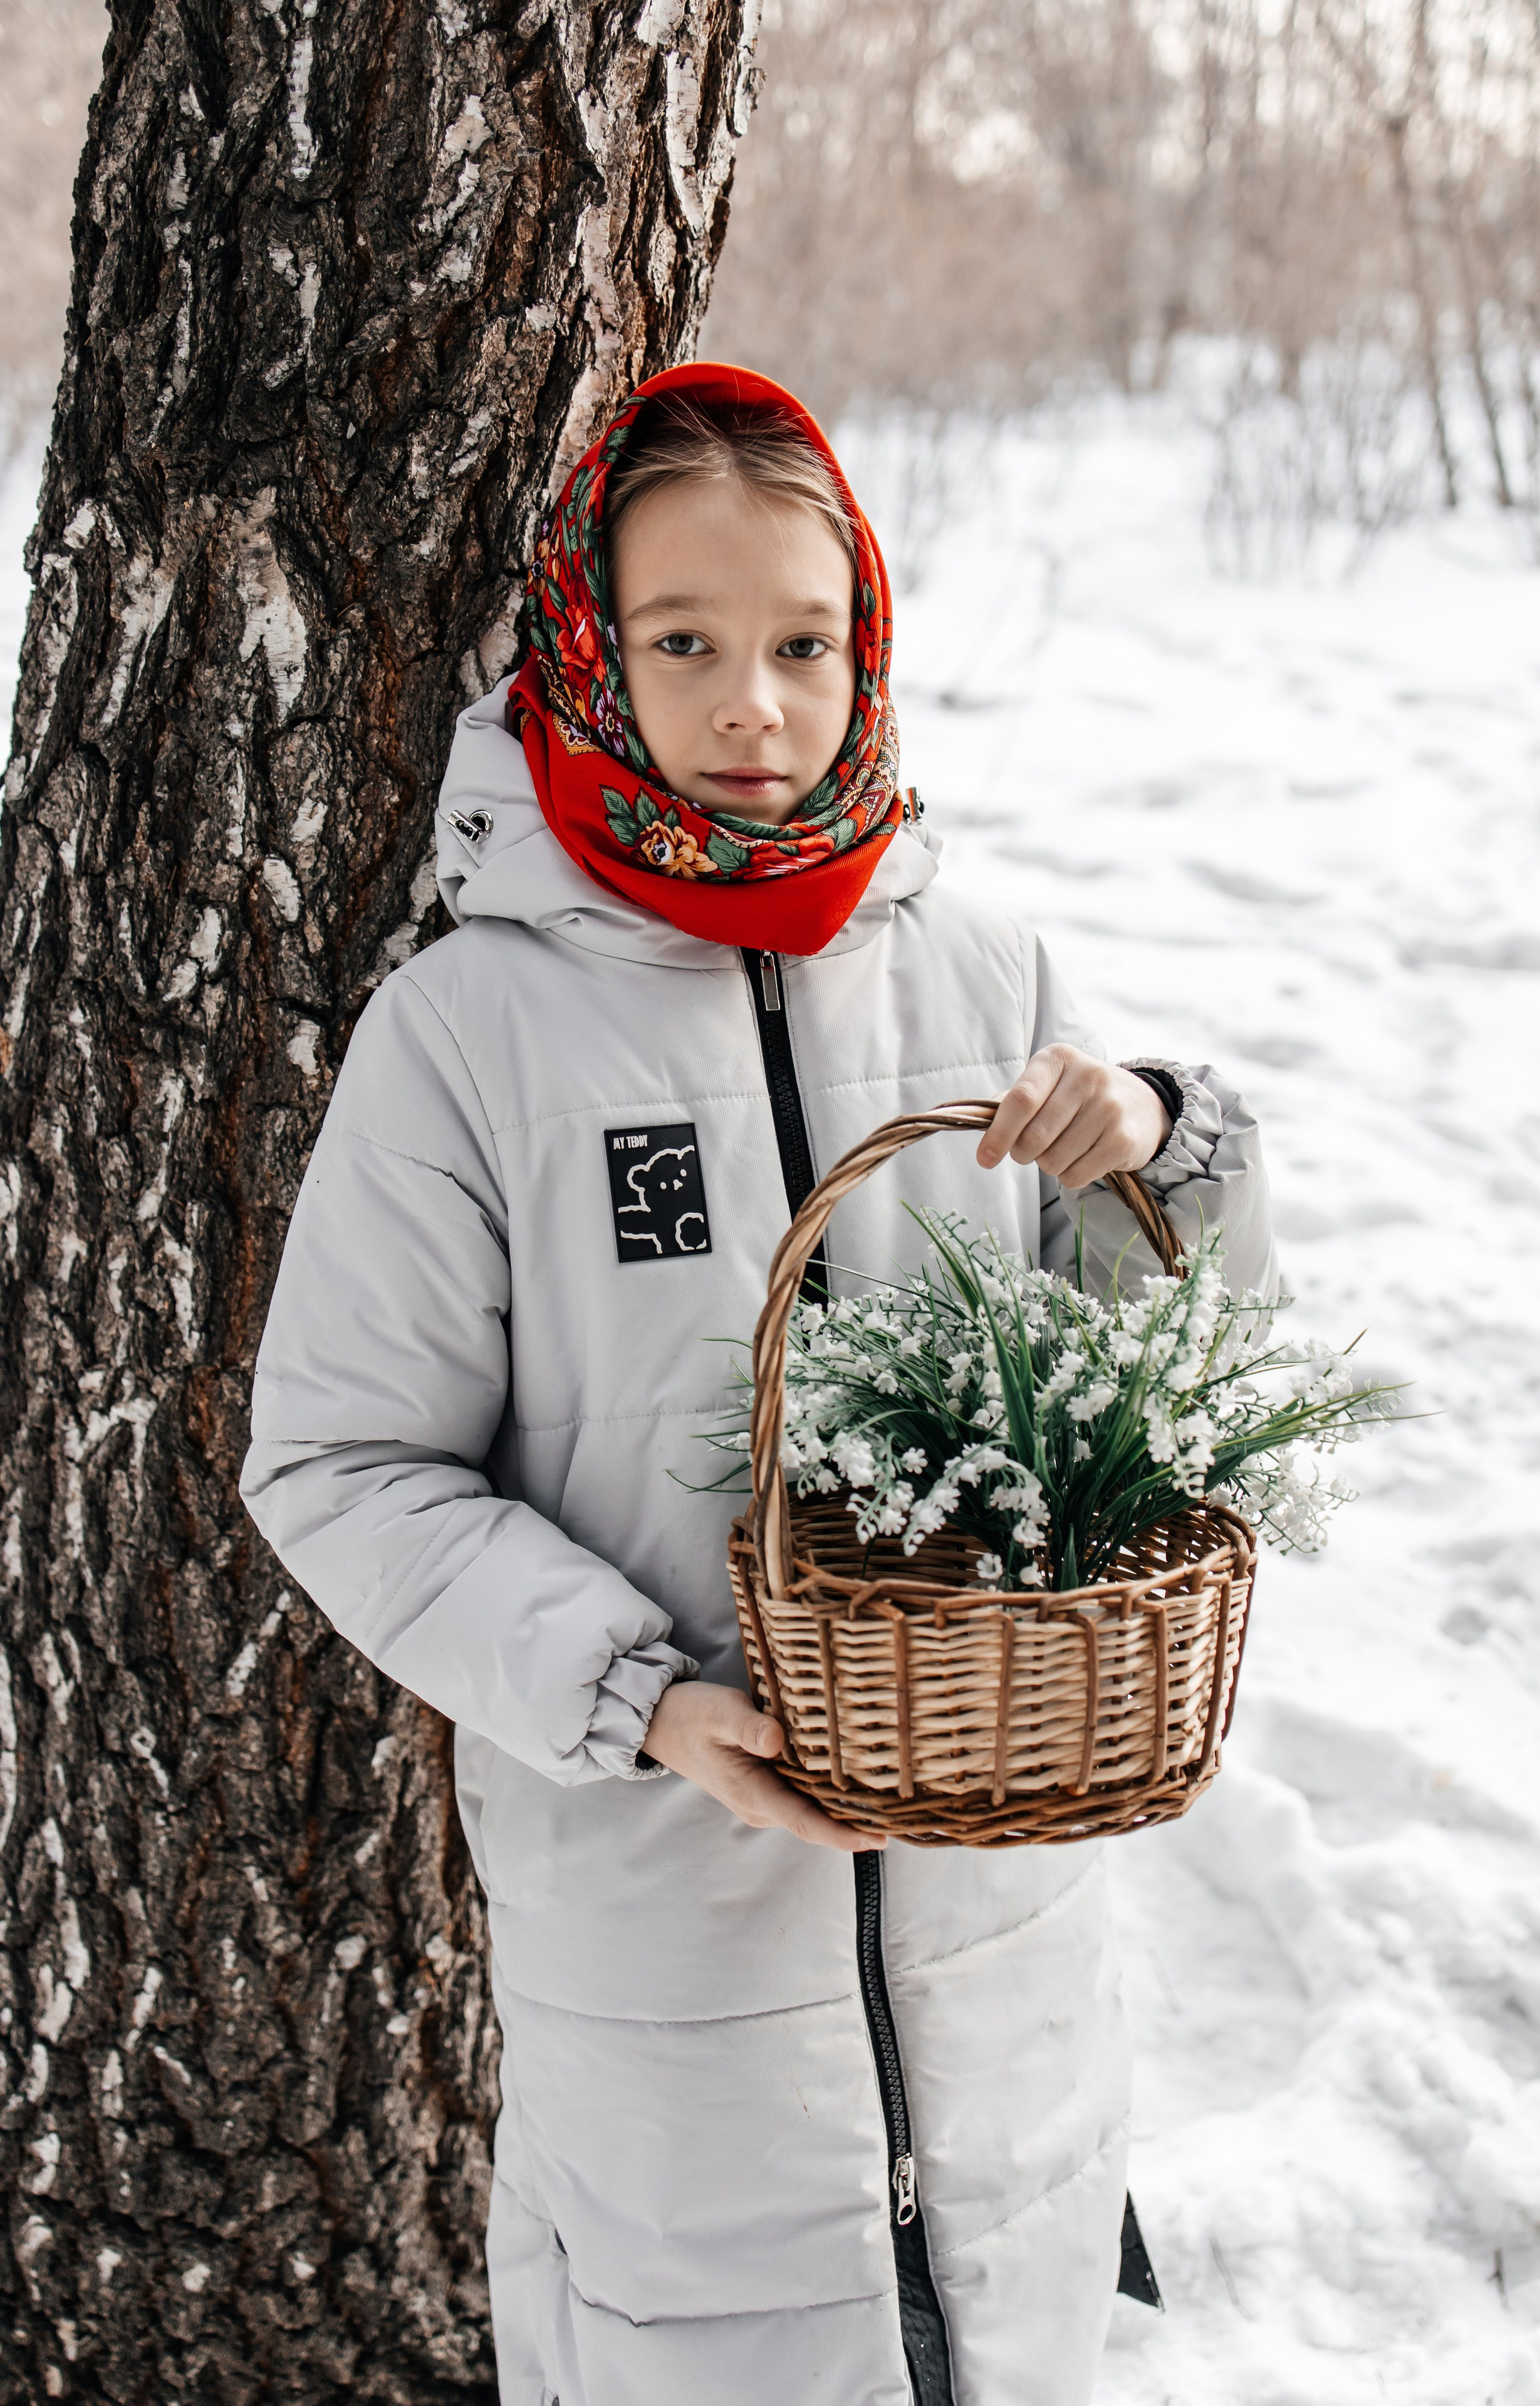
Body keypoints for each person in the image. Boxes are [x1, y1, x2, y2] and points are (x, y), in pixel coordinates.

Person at [241, 362, 1276, 2406]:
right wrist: (634, 1697)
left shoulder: (986, 972)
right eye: (685, 645)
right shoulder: (474, 1036)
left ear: (866, 640)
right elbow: (342, 1461)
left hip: (999, 1908)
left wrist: (1161, 1145)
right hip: (665, 1931)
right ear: (586, 655)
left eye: (804, 645)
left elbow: (1162, 1386)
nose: (753, 713)